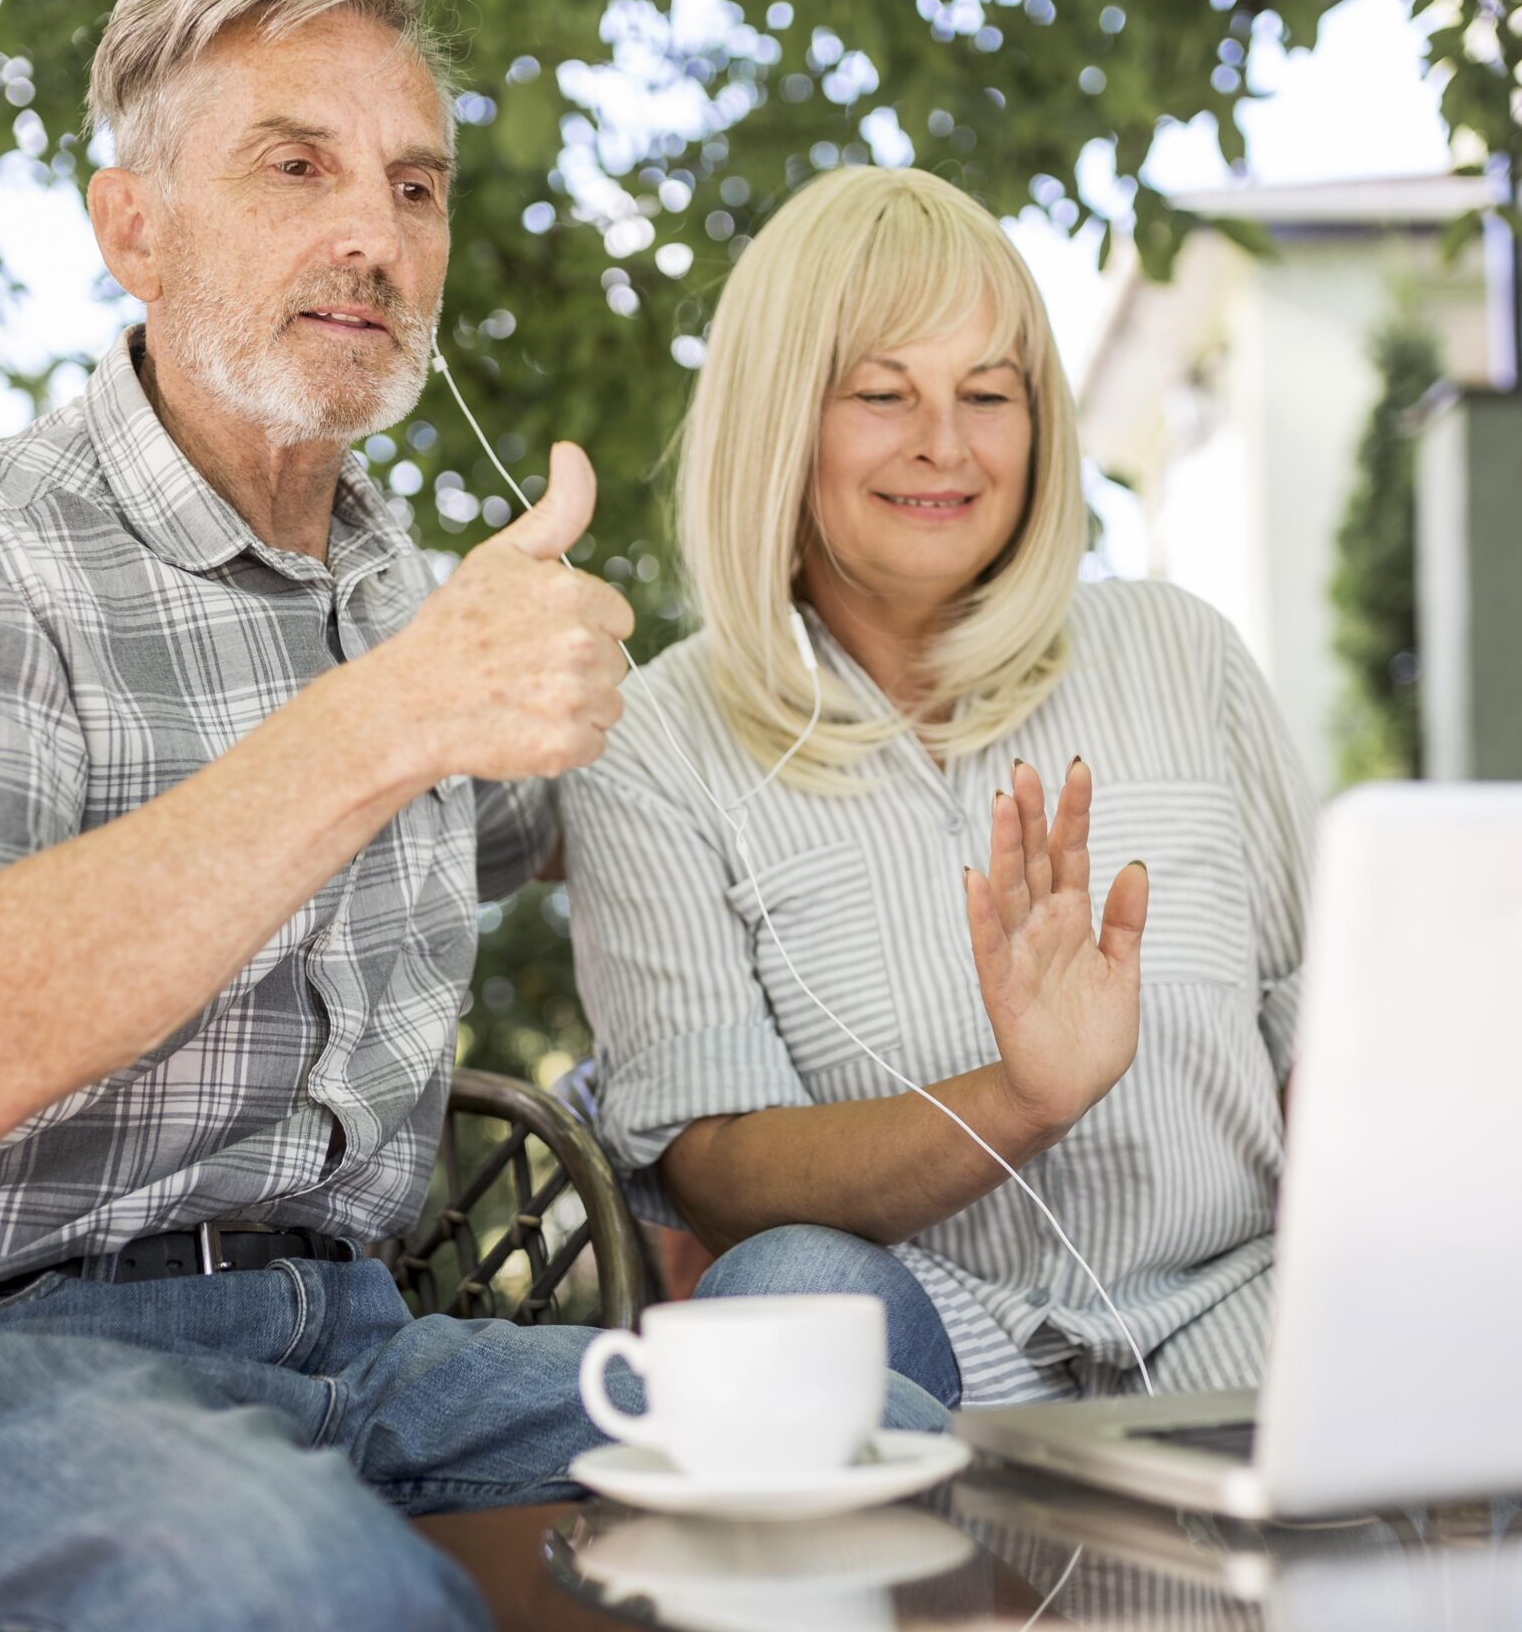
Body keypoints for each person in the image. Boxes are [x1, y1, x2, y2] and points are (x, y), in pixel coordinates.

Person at [0, 0, 942, 1628]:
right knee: (306, 1584)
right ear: (130, 225)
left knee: (892, 1458)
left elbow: (668, 812)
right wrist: (397, 714)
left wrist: (894, 591)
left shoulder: (411, 602)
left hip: (363, 1343)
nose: (374, 234)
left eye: (416, 186)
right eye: (295, 165)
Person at [561, 166, 1317, 1411]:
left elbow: (1323, 1033)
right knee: (787, 1287)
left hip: (1245, 1313)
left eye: (987, 393)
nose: (946, 446)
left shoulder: (1181, 657)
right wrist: (1017, 1102)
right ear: (778, 421)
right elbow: (717, 1174)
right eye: (881, 395)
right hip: (935, 1359)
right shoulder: (657, 743)